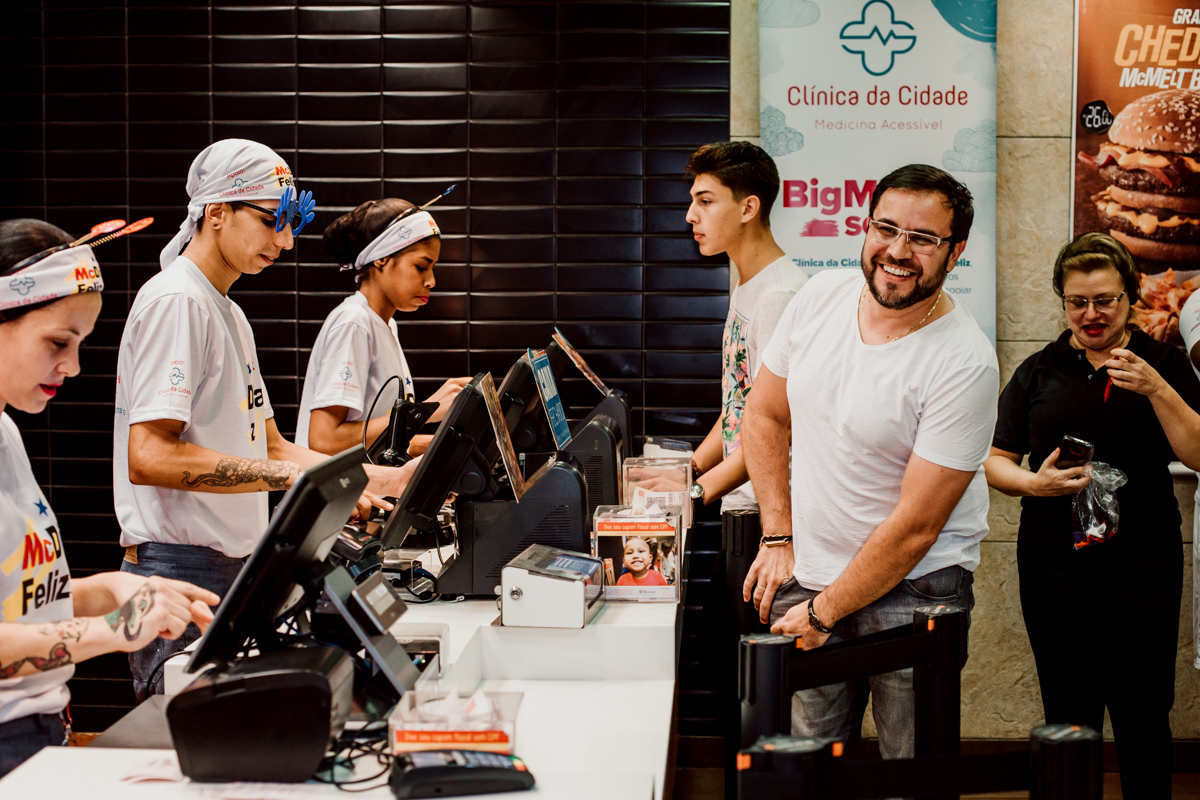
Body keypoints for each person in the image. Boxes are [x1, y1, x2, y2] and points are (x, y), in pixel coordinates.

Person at [113, 140, 419, 701]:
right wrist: (294, 481)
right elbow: (149, 456)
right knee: (189, 745)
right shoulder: (177, 301)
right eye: (270, 221)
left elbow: (271, 445)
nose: (285, 241)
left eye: (291, 224)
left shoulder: (228, 311)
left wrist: (371, 478)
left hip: (233, 567)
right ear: (217, 211)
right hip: (179, 569)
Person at [740, 164, 998, 759]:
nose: (898, 251)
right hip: (810, 571)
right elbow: (764, 416)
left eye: (923, 238)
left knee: (909, 771)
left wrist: (823, 613)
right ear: (865, 226)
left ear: (955, 251)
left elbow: (917, 526)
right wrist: (778, 535)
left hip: (915, 590)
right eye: (886, 228)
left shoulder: (965, 362)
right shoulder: (819, 296)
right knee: (805, 766)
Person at [0, 219, 219, 777]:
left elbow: (17, 603)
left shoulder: (7, 432)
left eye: (80, 344)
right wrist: (112, 630)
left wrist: (113, 589)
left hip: (41, 726)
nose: (72, 367)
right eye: (58, 342)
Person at [984, 232, 1200, 798]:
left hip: (1145, 564)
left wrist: (1157, 389)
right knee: (1067, 706)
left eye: (1105, 300)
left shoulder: (1164, 362)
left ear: (1131, 297)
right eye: (1077, 302)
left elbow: (1199, 453)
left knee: (1144, 706)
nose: (1091, 315)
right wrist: (1035, 483)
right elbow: (995, 461)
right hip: (1054, 565)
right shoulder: (1039, 370)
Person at [683, 142, 807, 510]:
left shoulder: (779, 296)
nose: (690, 215)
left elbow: (780, 424)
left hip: (771, 509)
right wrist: (689, 471)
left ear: (748, 208)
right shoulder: (749, 284)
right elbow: (739, 400)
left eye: (706, 202)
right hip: (742, 498)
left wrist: (693, 494)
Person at [296, 198, 469, 457]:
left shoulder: (385, 325)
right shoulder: (354, 322)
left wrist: (449, 445)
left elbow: (377, 436)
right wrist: (426, 411)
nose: (431, 281)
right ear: (382, 259)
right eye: (421, 267)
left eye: (432, 268)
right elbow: (324, 441)